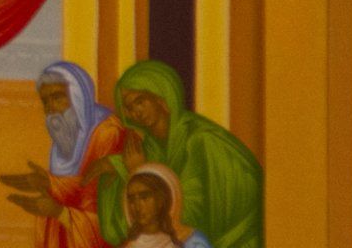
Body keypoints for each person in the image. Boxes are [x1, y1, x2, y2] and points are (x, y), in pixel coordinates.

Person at [98, 61, 261, 248]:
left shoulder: (201, 141)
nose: (136, 112)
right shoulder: (149, 148)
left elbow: (192, 212)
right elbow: (120, 228)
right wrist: (118, 169)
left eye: (140, 101)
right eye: (129, 108)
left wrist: (138, 171)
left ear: (161, 96)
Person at [0, 61, 127, 248]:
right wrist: (48, 184)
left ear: (78, 96)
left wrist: (58, 206)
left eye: (58, 97)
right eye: (46, 101)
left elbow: (101, 207)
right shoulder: (65, 139)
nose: (51, 109)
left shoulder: (107, 133)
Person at [121, 165, 213, 248]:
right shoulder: (128, 245)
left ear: (161, 200)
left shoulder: (192, 241)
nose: (137, 207)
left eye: (144, 197)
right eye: (132, 200)